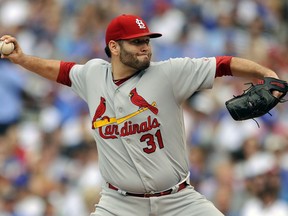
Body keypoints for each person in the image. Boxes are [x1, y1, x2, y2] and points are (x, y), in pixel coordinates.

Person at [0, 14, 283, 216]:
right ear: (114, 47)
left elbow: (224, 64)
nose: (145, 46)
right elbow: (60, 71)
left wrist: (268, 74)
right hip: (118, 204)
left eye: (146, 39)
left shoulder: (169, 73)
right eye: (136, 42)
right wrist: (22, 59)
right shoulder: (93, 75)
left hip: (179, 201)